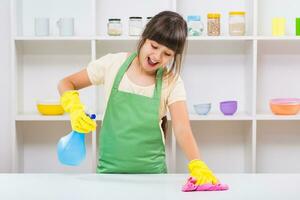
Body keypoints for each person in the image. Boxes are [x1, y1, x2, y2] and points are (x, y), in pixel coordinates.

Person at [58, 10, 219, 185]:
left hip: (154, 178)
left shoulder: (171, 81)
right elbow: (67, 83)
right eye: (154, 46)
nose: (157, 56)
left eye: (167, 54)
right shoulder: (113, 63)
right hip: (108, 175)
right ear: (144, 37)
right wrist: (74, 108)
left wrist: (197, 164)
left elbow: (182, 128)